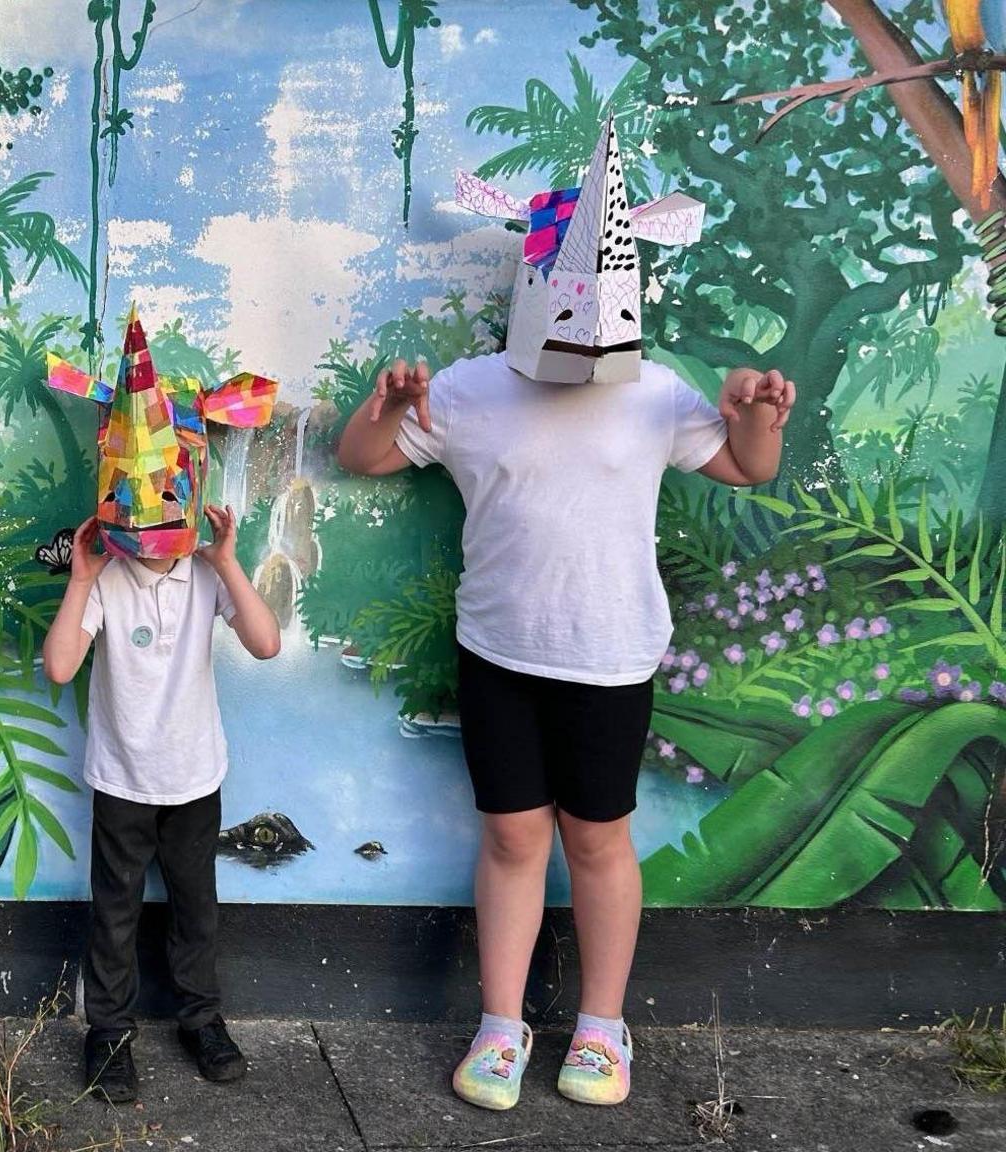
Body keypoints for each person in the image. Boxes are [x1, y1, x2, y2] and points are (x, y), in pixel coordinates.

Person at [337, 355, 792, 1109]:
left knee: (596, 838)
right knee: (513, 838)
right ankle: (500, 1025)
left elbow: (749, 467)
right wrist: (387, 403)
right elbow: (364, 456)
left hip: (611, 660)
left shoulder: (653, 390)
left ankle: (602, 1027)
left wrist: (755, 413)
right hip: (499, 655)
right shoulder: (468, 387)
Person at [40, 507, 283, 1104]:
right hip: (122, 778)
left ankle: (201, 1019)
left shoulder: (204, 573)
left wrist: (225, 562)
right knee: (114, 913)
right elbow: (60, 664)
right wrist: (80, 579)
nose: (158, 515)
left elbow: (268, 644)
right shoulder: (108, 577)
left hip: (195, 777)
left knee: (196, 909)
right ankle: (109, 1032)